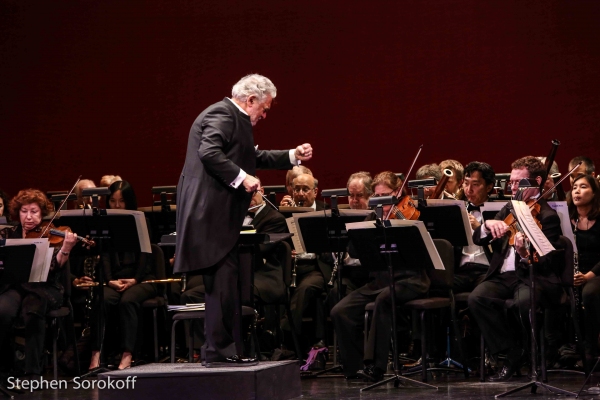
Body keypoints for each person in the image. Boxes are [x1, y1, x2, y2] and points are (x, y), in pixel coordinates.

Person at [173, 74, 312, 366]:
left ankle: (223, 351)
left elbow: (251, 156)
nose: (264, 114)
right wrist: (242, 177)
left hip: (218, 216)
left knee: (228, 284)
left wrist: (292, 156)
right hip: (210, 215)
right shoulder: (222, 114)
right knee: (222, 285)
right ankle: (218, 353)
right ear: (250, 100)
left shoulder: (232, 118)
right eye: (264, 108)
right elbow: (209, 152)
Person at [468, 156, 564, 382]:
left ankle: (534, 354)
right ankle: (512, 351)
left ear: (536, 181)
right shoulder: (510, 207)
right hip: (503, 276)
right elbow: (479, 238)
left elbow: (549, 263)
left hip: (531, 276)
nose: (511, 187)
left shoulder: (548, 217)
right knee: (477, 298)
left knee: (522, 304)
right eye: (510, 182)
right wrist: (488, 224)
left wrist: (523, 253)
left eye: (517, 183)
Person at [330, 171, 430, 381]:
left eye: (385, 197)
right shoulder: (374, 216)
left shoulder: (411, 213)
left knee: (384, 300)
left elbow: (424, 250)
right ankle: (354, 368)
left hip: (412, 279)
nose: (381, 203)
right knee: (340, 310)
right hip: (380, 281)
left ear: (397, 192)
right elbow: (354, 251)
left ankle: (375, 367)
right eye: (377, 198)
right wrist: (369, 229)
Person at [0, 189, 77, 378]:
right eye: (24, 211)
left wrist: (65, 249)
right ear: (17, 213)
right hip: (18, 287)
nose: (28, 217)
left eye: (34, 211)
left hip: (44, 288)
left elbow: (54, 267)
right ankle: (4, 368)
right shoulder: (10, 234)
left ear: (42, 213)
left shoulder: (49, 235)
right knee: (2, 311)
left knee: (33, 310)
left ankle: (33, 372)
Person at [88, 180, 157, 370]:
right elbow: (106, 256)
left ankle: (128, 353)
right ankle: (97, 353)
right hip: (115, 279)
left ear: (129, 202)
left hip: (143, 278)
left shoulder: (142, 221)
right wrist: (110, 280)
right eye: (112, 201)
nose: (117, 206)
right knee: (103, 300)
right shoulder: (106, 223)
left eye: (121, 201)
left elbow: (146, 255)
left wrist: (135, 279)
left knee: (128, 301)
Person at [568, 174, 600, 367]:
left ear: (594, 192)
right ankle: (564, 348)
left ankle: (590, 349)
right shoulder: (565, 219)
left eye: (583, 187)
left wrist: (588, 276)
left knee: (589, 293)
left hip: (596, 273)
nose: (577, 191)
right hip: (573, 272)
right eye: (574, 188)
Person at [453, 161, 495, 293]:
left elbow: (504, 246)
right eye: (466, 183)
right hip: (461, 271)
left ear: (488, 187)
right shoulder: (456, 210)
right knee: (434, 288)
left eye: (475, 185)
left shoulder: (500, 212)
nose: (468, 189)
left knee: (481, 293)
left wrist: (480, 228)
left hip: (487, 271)